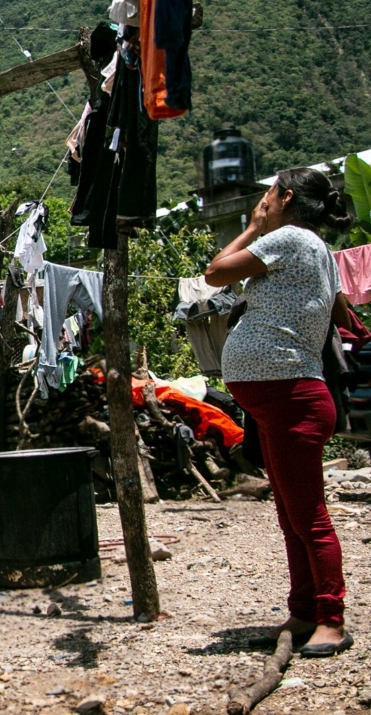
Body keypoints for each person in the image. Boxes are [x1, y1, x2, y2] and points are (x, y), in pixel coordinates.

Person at [205, 167, 354, 657]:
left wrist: (251, 226)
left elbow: (215, 272)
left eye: (268, 194)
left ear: (285, 197)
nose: (263, 201)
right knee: (291, 515)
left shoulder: (288, 237)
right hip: (280, 398)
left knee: (307, 516)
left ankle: (332, 620)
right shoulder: (318, 250)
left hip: (293, 397)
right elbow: (338, 312)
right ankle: (304, 610)